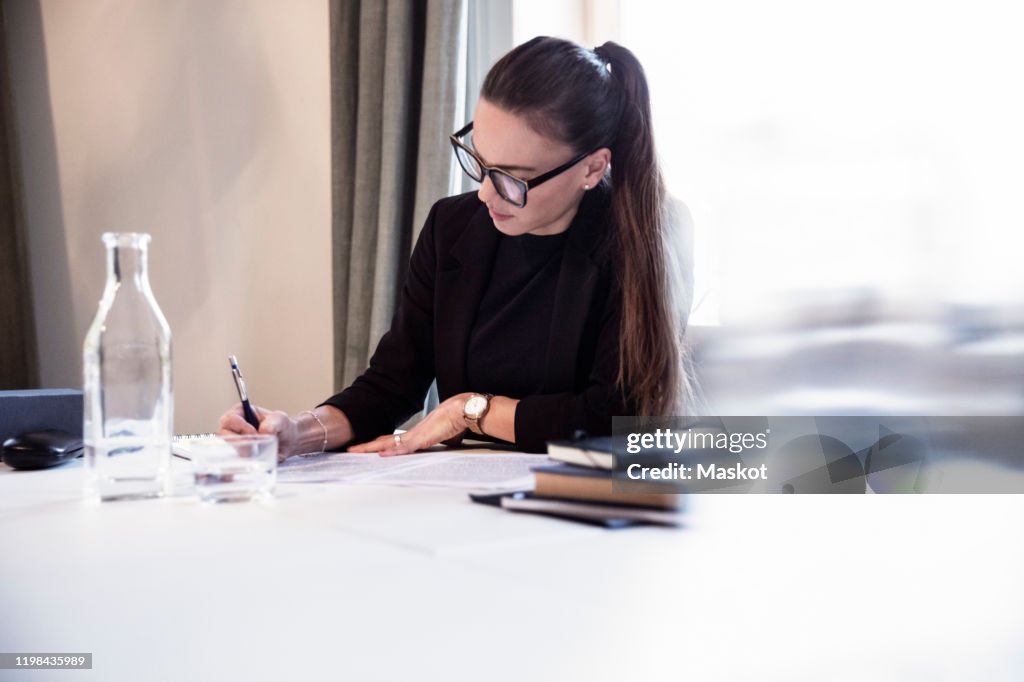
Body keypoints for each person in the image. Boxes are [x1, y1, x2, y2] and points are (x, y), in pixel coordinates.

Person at [219, 36, 694, 459]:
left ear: (592, 168)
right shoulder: (454, 225)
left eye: (513, 178)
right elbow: (392, 383)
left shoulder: (645, 236)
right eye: (480, 161)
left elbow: (618, 418)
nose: (486, 193)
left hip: (583, 501)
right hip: (465, 496)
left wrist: (471, 412)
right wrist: (295, 433)